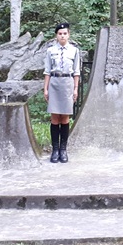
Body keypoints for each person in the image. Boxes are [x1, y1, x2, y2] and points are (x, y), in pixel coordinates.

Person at [43, 22, 81, 163]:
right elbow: (47, 71)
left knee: (65, 118)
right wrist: (46, 89)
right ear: (56, 35)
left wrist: (75, 88)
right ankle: (55, 150)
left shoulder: (74, 51)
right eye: (60, 34)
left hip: (67, 84)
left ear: (68, 35)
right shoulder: (50, 51)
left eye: (65, 33)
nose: (62, 36)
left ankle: (63, 150)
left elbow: (76, 72)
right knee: (54, 117)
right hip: (54, 83)